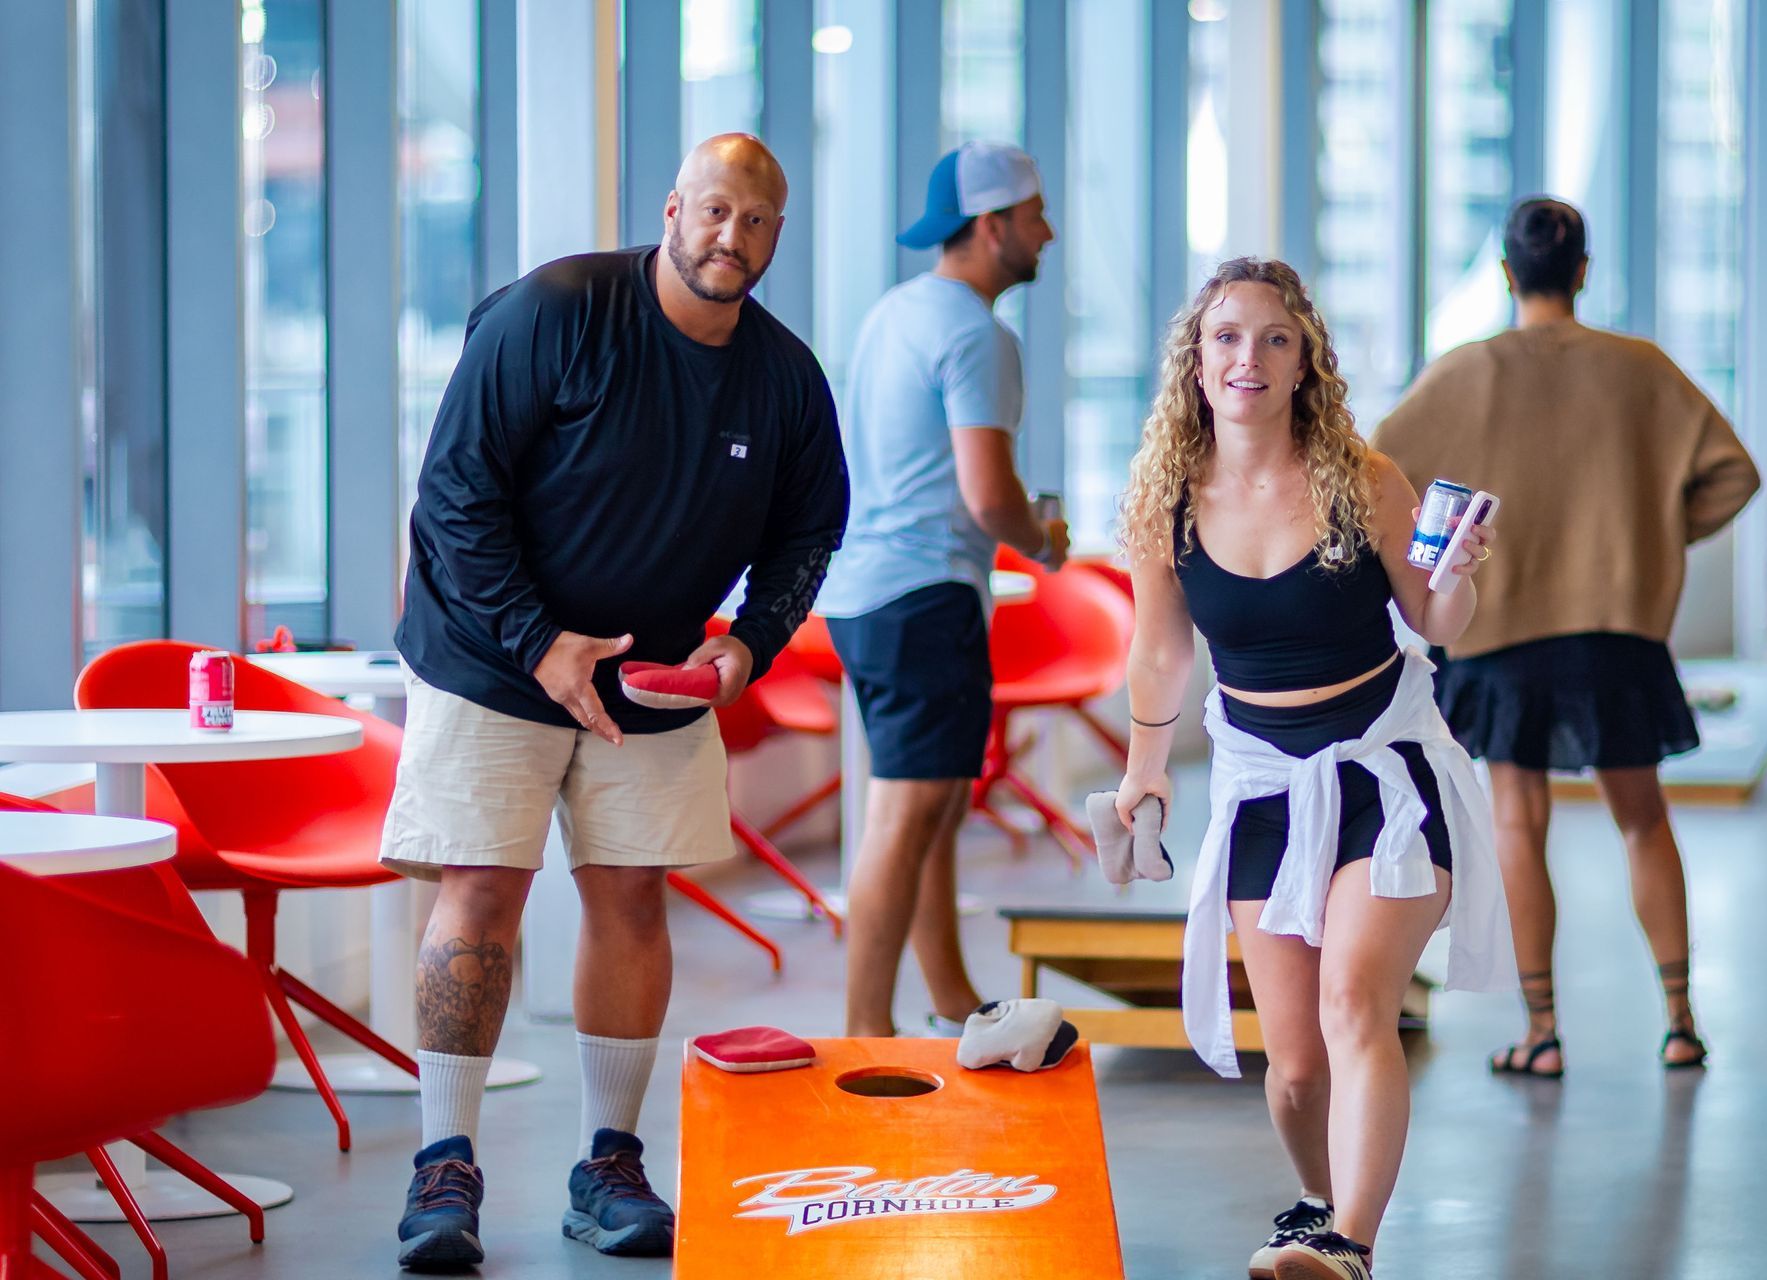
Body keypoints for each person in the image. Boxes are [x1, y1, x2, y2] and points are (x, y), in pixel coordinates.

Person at [379, 133, 848, 1270]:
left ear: (776, 236)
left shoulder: (785, 377)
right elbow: (454, 493)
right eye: (715, 211)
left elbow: (808, 527)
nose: (729, 237)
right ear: (676, 207)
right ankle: (444, 1165)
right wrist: (542, 644)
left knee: (632, 895)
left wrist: (750, 643)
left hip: (657, 679)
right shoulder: (556, 311)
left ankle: (610, 1159)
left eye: (756, 222)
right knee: (482, 888)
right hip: (493, 656)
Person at [1114, 258, 1514, 1280]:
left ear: (1306, 362)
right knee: (1292, 1065)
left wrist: (1457, 575)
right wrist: (1144, 769)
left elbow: (1435, 623)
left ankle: (1352, 1242)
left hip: (1388, 776)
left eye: (1274, 339)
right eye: (1228, 338)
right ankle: (1317, 1203)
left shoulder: (1365, 479)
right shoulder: (1164, 496)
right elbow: (1161, 651)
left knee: (1353, 1002)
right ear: (1197, 363)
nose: (1249, 357)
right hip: (1263, 787)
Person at [1373, 196, 1760, 1079]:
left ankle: (1541, 1033)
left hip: (1503, 632)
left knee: (1519, 819)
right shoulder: (1641, 368)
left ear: (1508, 274)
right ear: (1582, 270)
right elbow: (1735, 474)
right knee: (1642, 818)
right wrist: (1653, 531)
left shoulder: (1461, 373)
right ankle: (1680, 1020)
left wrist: (1434, 556)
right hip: (1617, 633)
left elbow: (1378, 472)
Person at [814, 141, 1069, 1039]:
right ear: (993, 227)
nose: (1048, 231)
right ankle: (863, 1032)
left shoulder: (898, 313)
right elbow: (989, 494)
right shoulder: (977, 333)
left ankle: (953, 997)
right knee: (909, 806)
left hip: (869, 589)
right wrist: (1046, 541)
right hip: (923, 591)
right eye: (1035, 215)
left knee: (934, 802)